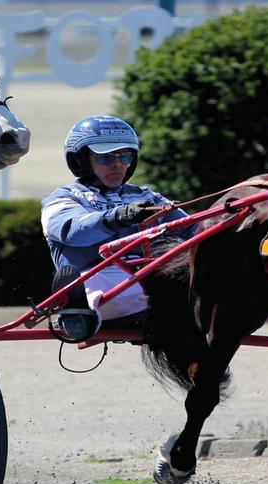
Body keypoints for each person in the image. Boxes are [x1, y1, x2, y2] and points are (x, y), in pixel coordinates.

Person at [41, 115, 192, 335]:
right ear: (81, 160)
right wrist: (118, 217)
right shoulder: (62, 198)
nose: (117, 164)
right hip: (98, 282)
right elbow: (73, 231)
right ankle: (77, 311)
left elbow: (193, 230)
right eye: (105, 158)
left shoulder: (147, 196)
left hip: (153, 280)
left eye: (125, 156)